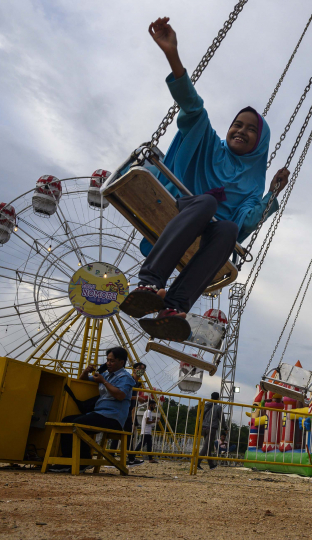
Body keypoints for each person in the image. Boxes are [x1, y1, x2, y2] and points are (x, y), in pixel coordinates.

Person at [119, 16, 291, 342]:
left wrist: (271, 193)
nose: (241, 130)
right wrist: (173, 56)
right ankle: (150, 283)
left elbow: (245, 224)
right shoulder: (210, 144)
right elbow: (193, 107)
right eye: (238, 124)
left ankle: (175, 306)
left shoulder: (254, 184)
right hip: (180, 205)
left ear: (260, 142)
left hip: (209, 231)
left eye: (251, 129)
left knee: (226, 227)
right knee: (208, 202)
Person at [50, 347, 136, 473]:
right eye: (107, 360)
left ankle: (82, 460)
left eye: (111, 361)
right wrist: (86, 371)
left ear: (121, 362)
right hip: (99, 413)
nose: (108, 363)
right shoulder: (106, 374)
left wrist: (104, 382)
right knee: (67, 421)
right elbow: (83, 380)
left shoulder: (126, 378)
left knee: (78, 424)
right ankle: (69, 459)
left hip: (113, 417)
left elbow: (120, 395)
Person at [197, 392, 225, 470]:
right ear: (218, 398)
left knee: (208, 446)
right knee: (206, 446)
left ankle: (211, 464)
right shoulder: (218, 407)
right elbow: (222, 419)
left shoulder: (206, 405)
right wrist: (225, 427)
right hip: (211, 428)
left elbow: (201, 416)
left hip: (204, 427)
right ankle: (197, 463)